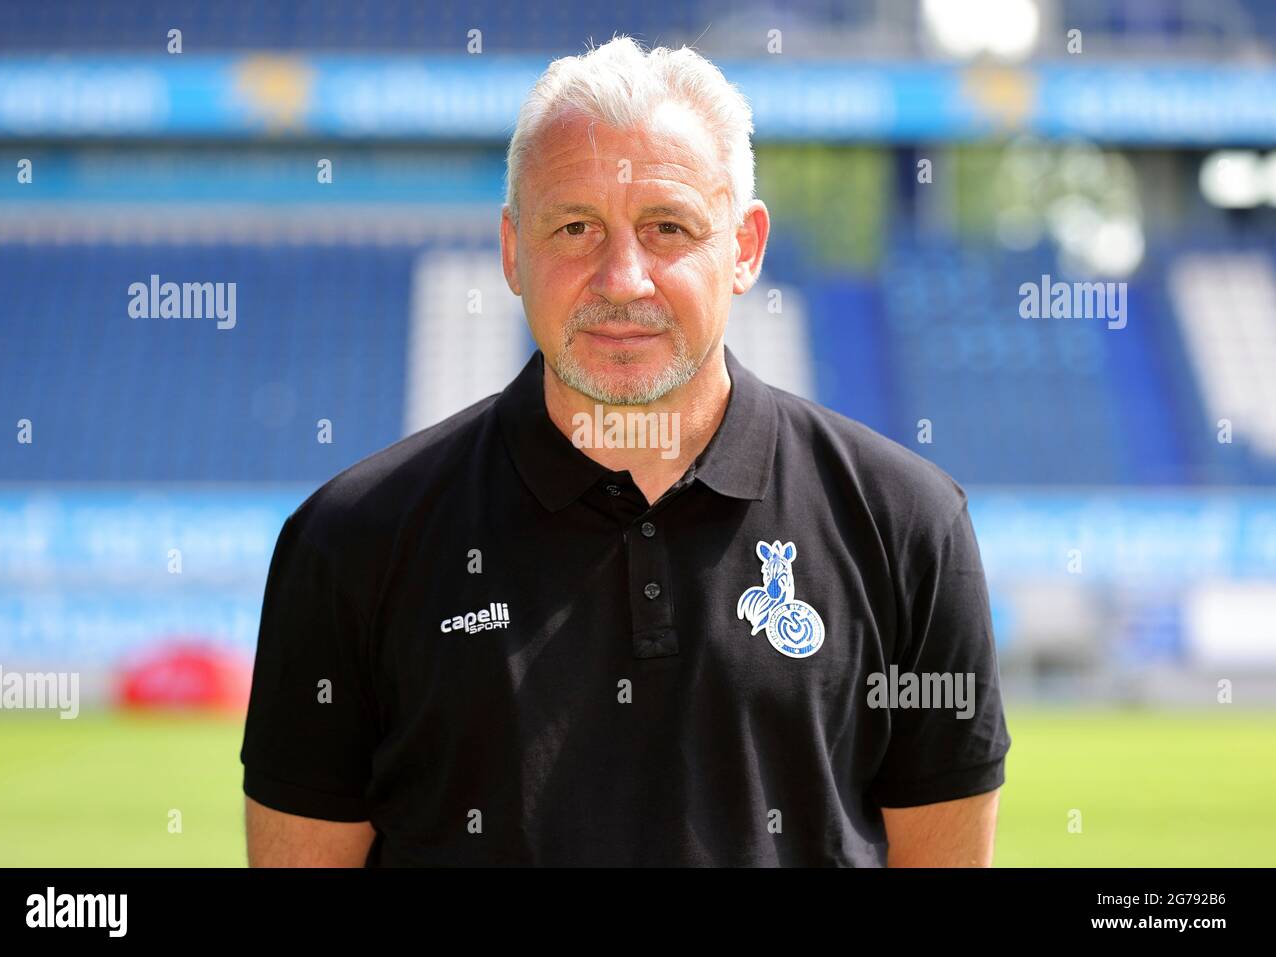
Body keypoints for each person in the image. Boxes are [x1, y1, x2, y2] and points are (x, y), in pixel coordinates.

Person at [241, 35, 1011, 867]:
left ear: (745, 248)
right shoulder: (350, 539)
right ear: (511, 251)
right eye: (575, 227)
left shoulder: (910, 527)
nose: (623, 278)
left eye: (668, 227)